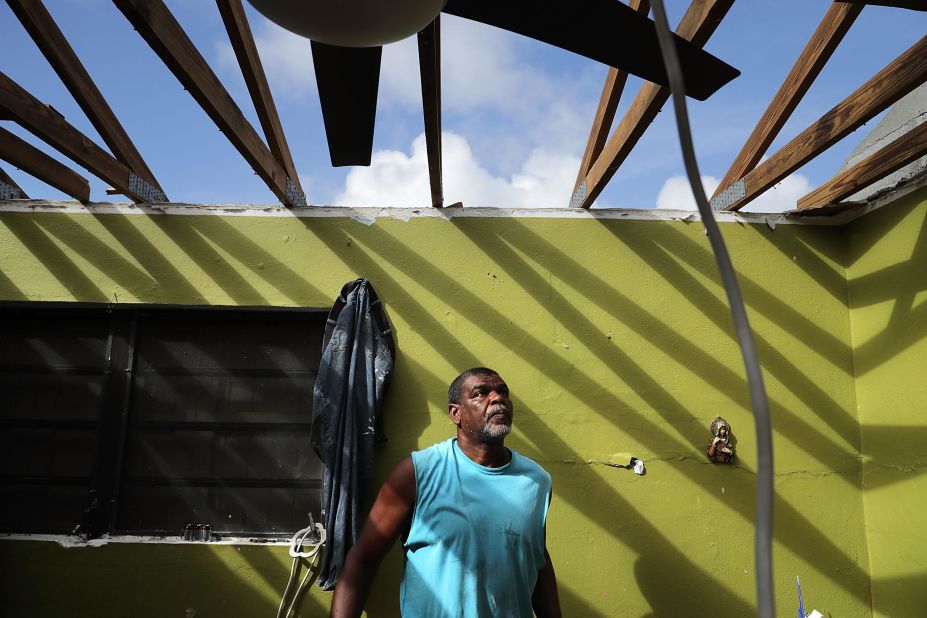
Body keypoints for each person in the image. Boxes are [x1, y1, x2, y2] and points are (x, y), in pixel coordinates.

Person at [330, 367, 561, 617]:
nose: (498, 399)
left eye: (503, 393)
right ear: (456, 413)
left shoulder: (536, 481)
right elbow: (363, 559)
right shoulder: (418, 472)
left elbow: (536, 558)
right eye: (481, 393)